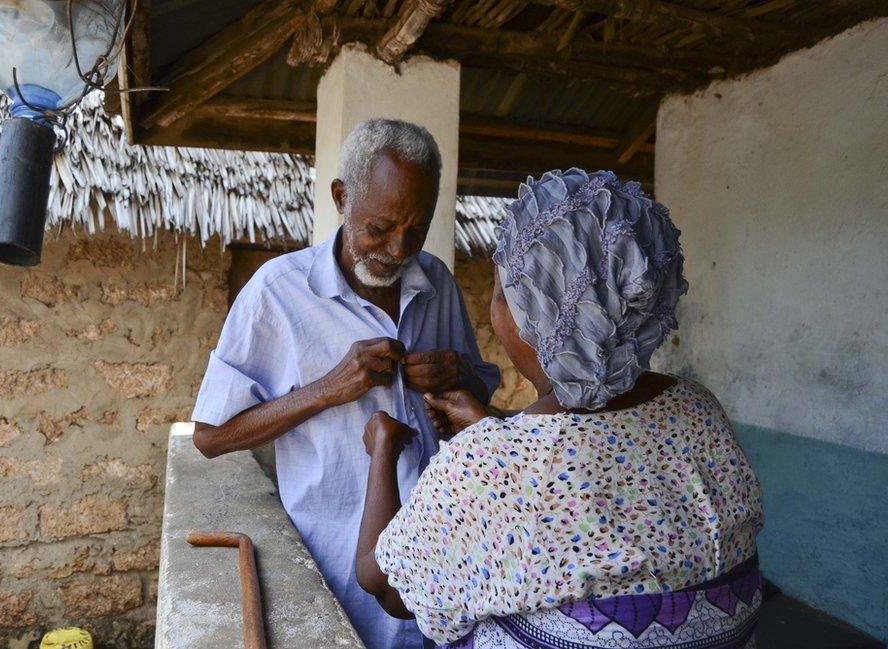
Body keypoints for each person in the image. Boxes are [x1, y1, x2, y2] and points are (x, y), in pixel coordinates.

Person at [356, 168, 765, 648]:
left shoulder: (489, 464)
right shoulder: (698, 411)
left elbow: (383, 584)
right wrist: (497, 428)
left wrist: (382, 450)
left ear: (530, 314)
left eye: (501, 292)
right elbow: (597, 475)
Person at [190, 118, 501, 649]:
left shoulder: (437, 283)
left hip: (438, 569)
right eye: (379, 228)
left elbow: (479, 395)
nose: (399, 250)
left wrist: (458, 373)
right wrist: (327, 389)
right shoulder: (278, 293)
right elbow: (211, 436)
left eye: (416, 229)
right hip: (333, 573)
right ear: (341, 197)